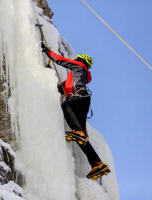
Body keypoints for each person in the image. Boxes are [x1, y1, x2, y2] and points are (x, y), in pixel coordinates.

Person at [41, 43, 111, 180]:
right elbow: (63, 89)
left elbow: (62, 61)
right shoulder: (75, 77)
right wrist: (49, 72)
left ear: (81, 60)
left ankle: (78, 132)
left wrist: (47, 51)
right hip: (82, 101)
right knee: (82, 138)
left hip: (78, 98)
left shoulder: (79, 66)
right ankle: (98, 164)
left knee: (66, 106)